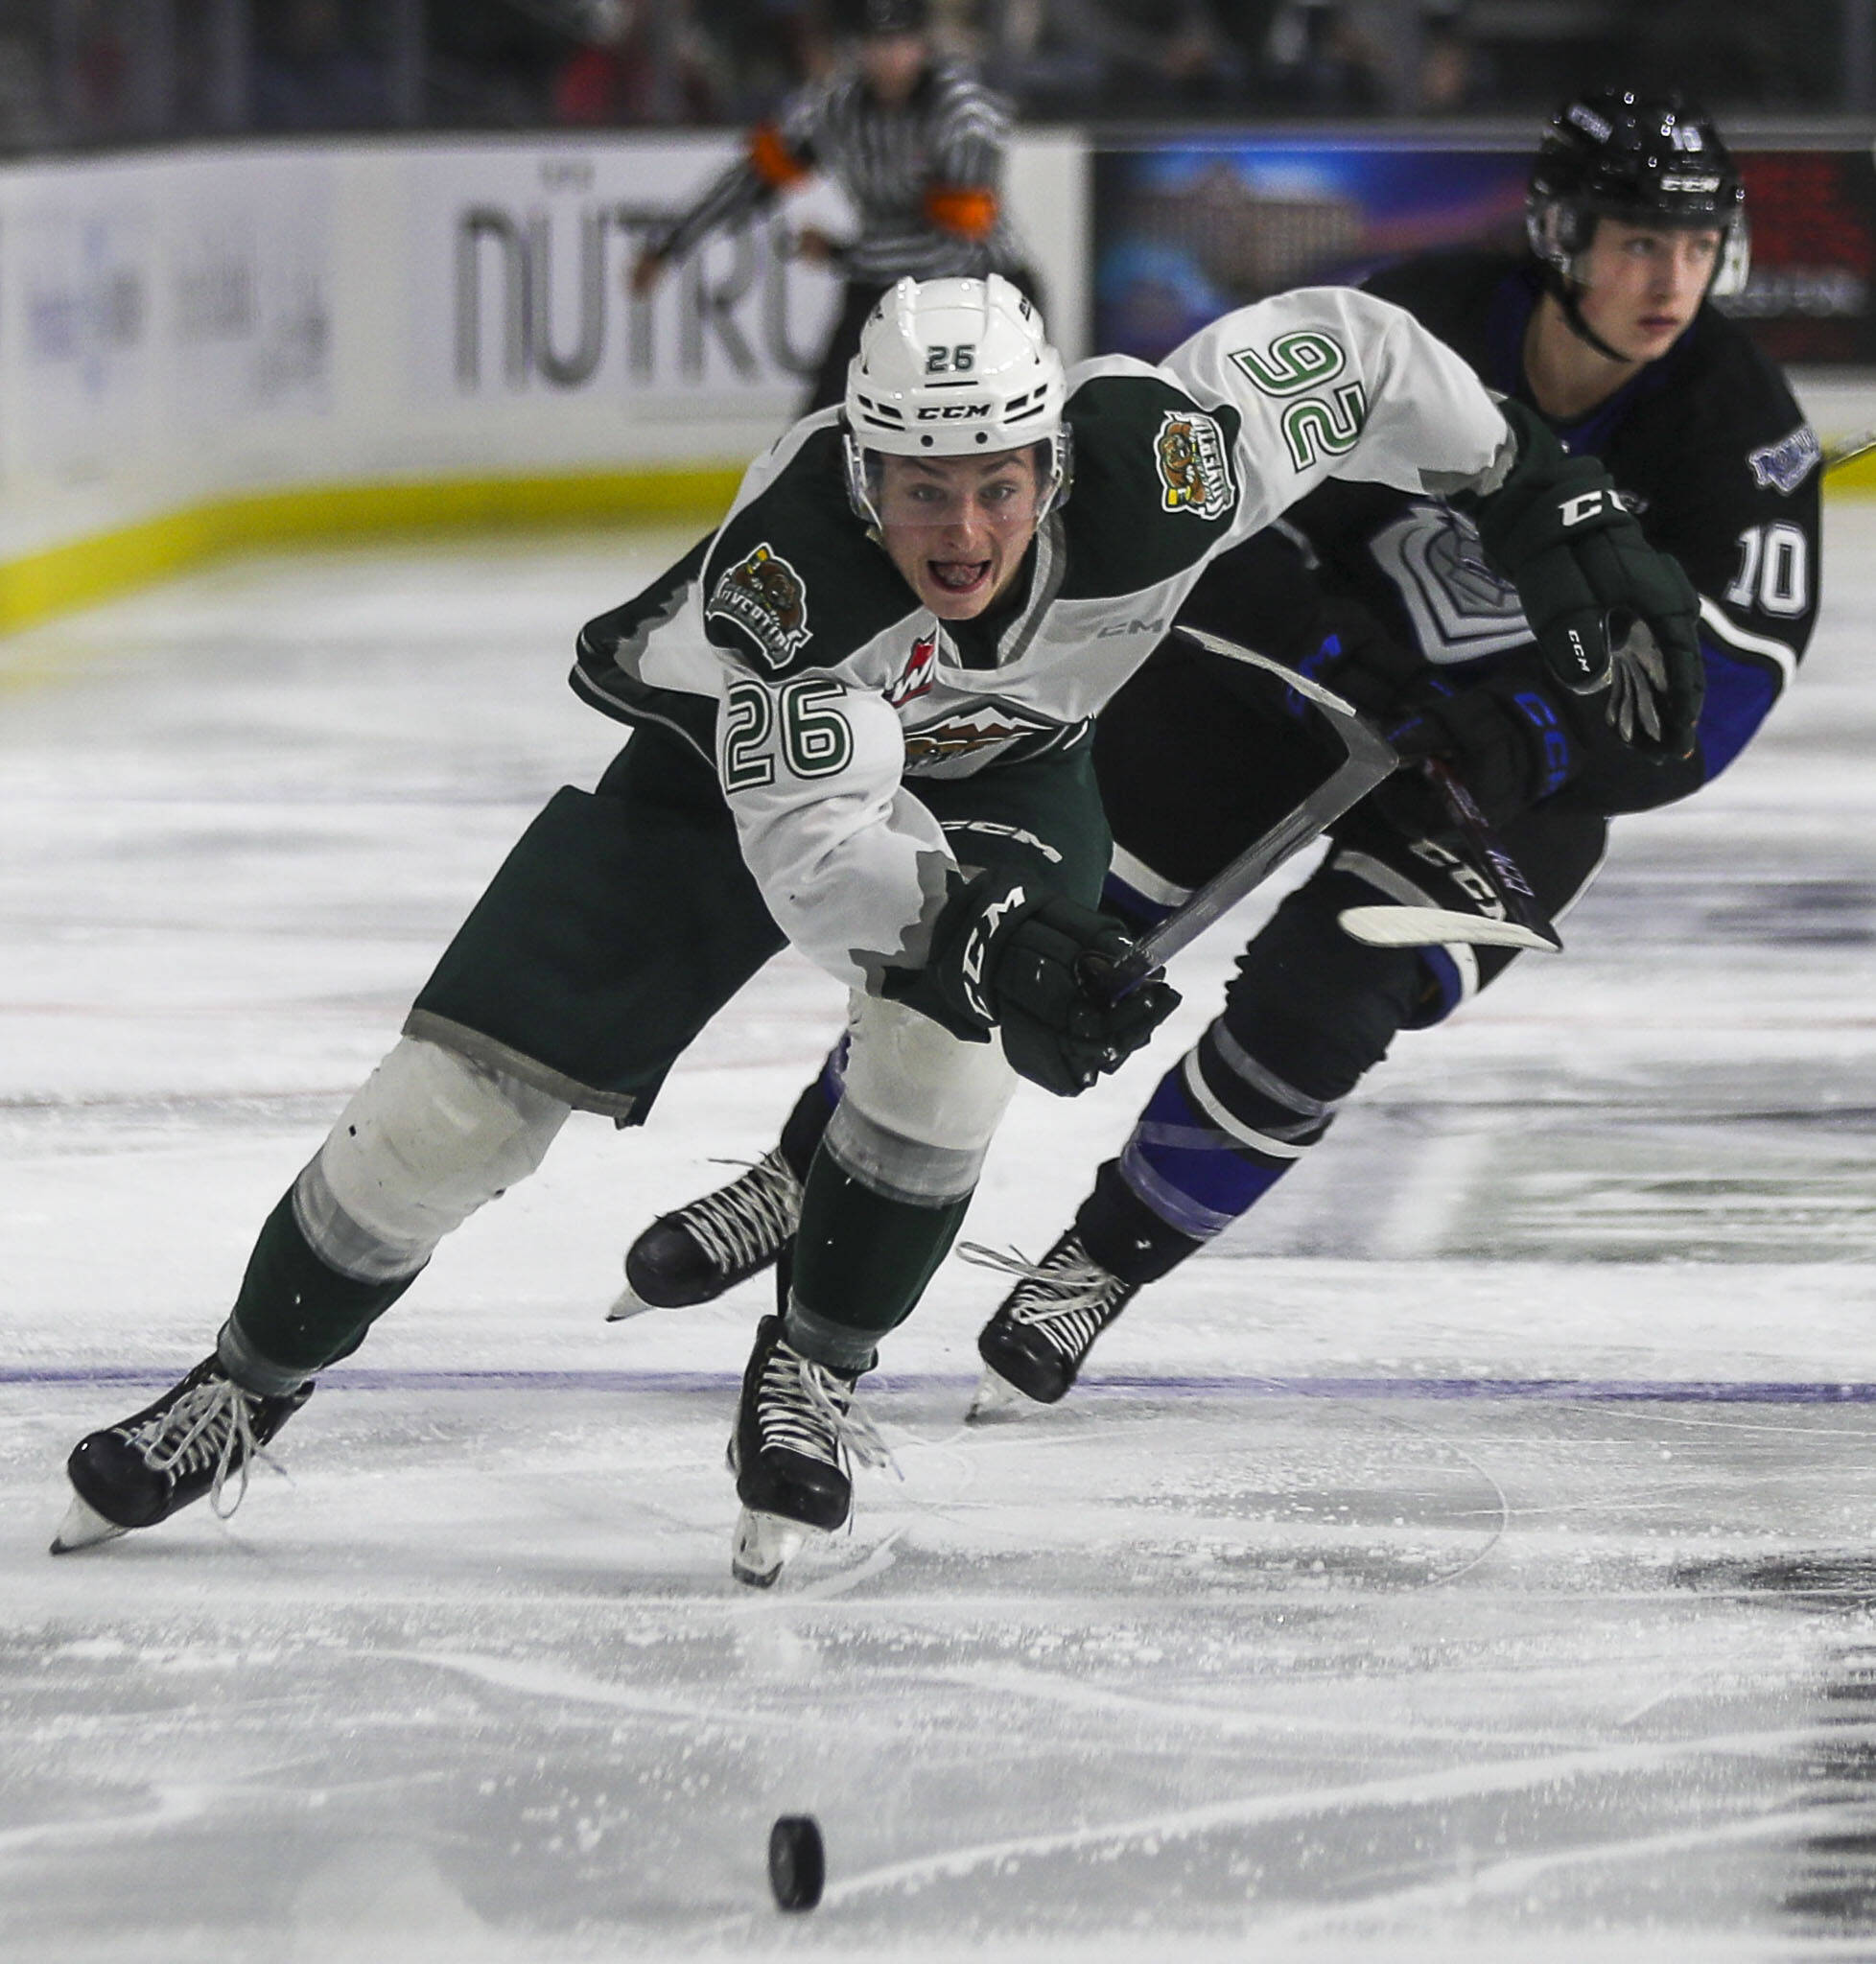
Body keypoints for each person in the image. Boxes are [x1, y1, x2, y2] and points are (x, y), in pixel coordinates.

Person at [55, 265, 1701, 1588]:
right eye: (922, 489)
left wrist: (1540, 487)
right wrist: (981, 936)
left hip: (1020, 767)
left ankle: (818, 1371)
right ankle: (240, 1383)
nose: (964, 532)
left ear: (1052, 460)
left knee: (939, 1083)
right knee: (450, 1107)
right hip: (722, 773)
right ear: (861, 474)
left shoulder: (1167, 464)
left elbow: (1352, 349)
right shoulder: (790, 592)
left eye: (995, 483)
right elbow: (820, 854)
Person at [615, 88, 1817, 1415]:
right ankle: (809, 1172)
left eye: (1695, 247)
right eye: (1638, 241)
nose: (1670, 279)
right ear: (1561, 233)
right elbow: (1230, 511)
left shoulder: (1740, 427)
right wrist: (1329, 650)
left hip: (1517, 784)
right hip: (1287, 683)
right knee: (1033, 909)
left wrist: (1524, 733)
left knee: (1333, 1005)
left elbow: (1727, 686)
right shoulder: (1427, 317)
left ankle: (1098, 1264)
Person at [630, 0, 1034, 412]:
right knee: (821, 432)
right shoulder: (836, 108)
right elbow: (751, 181)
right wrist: (670, 243)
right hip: (881, 288)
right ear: (856, 48)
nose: (890, 57)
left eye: (901, 42)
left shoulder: (963, 111)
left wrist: (843, 253)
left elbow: (956, 241)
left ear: (922, 45)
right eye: (876, 43)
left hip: (980, 290)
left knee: (987, 427)